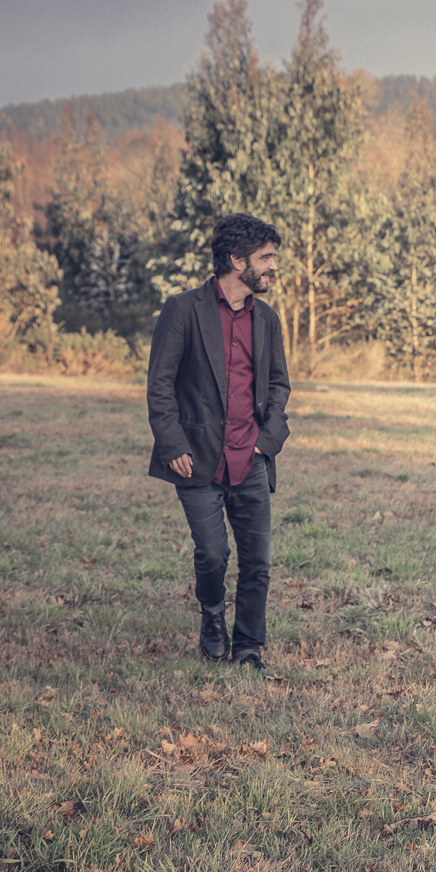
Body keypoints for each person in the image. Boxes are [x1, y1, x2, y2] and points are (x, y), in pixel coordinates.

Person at [147, 212, 293, 668]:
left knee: (257, 562)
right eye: (266, 258)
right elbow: (160, 384)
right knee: (213, 555)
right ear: (236, 260)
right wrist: (173, 445)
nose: (273, 267)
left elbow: (279, 385)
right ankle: (212, 617)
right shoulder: (182, 310)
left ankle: (248, 646)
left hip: (250, 458)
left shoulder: (266, 319)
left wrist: (265, 443)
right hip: (195, 459)